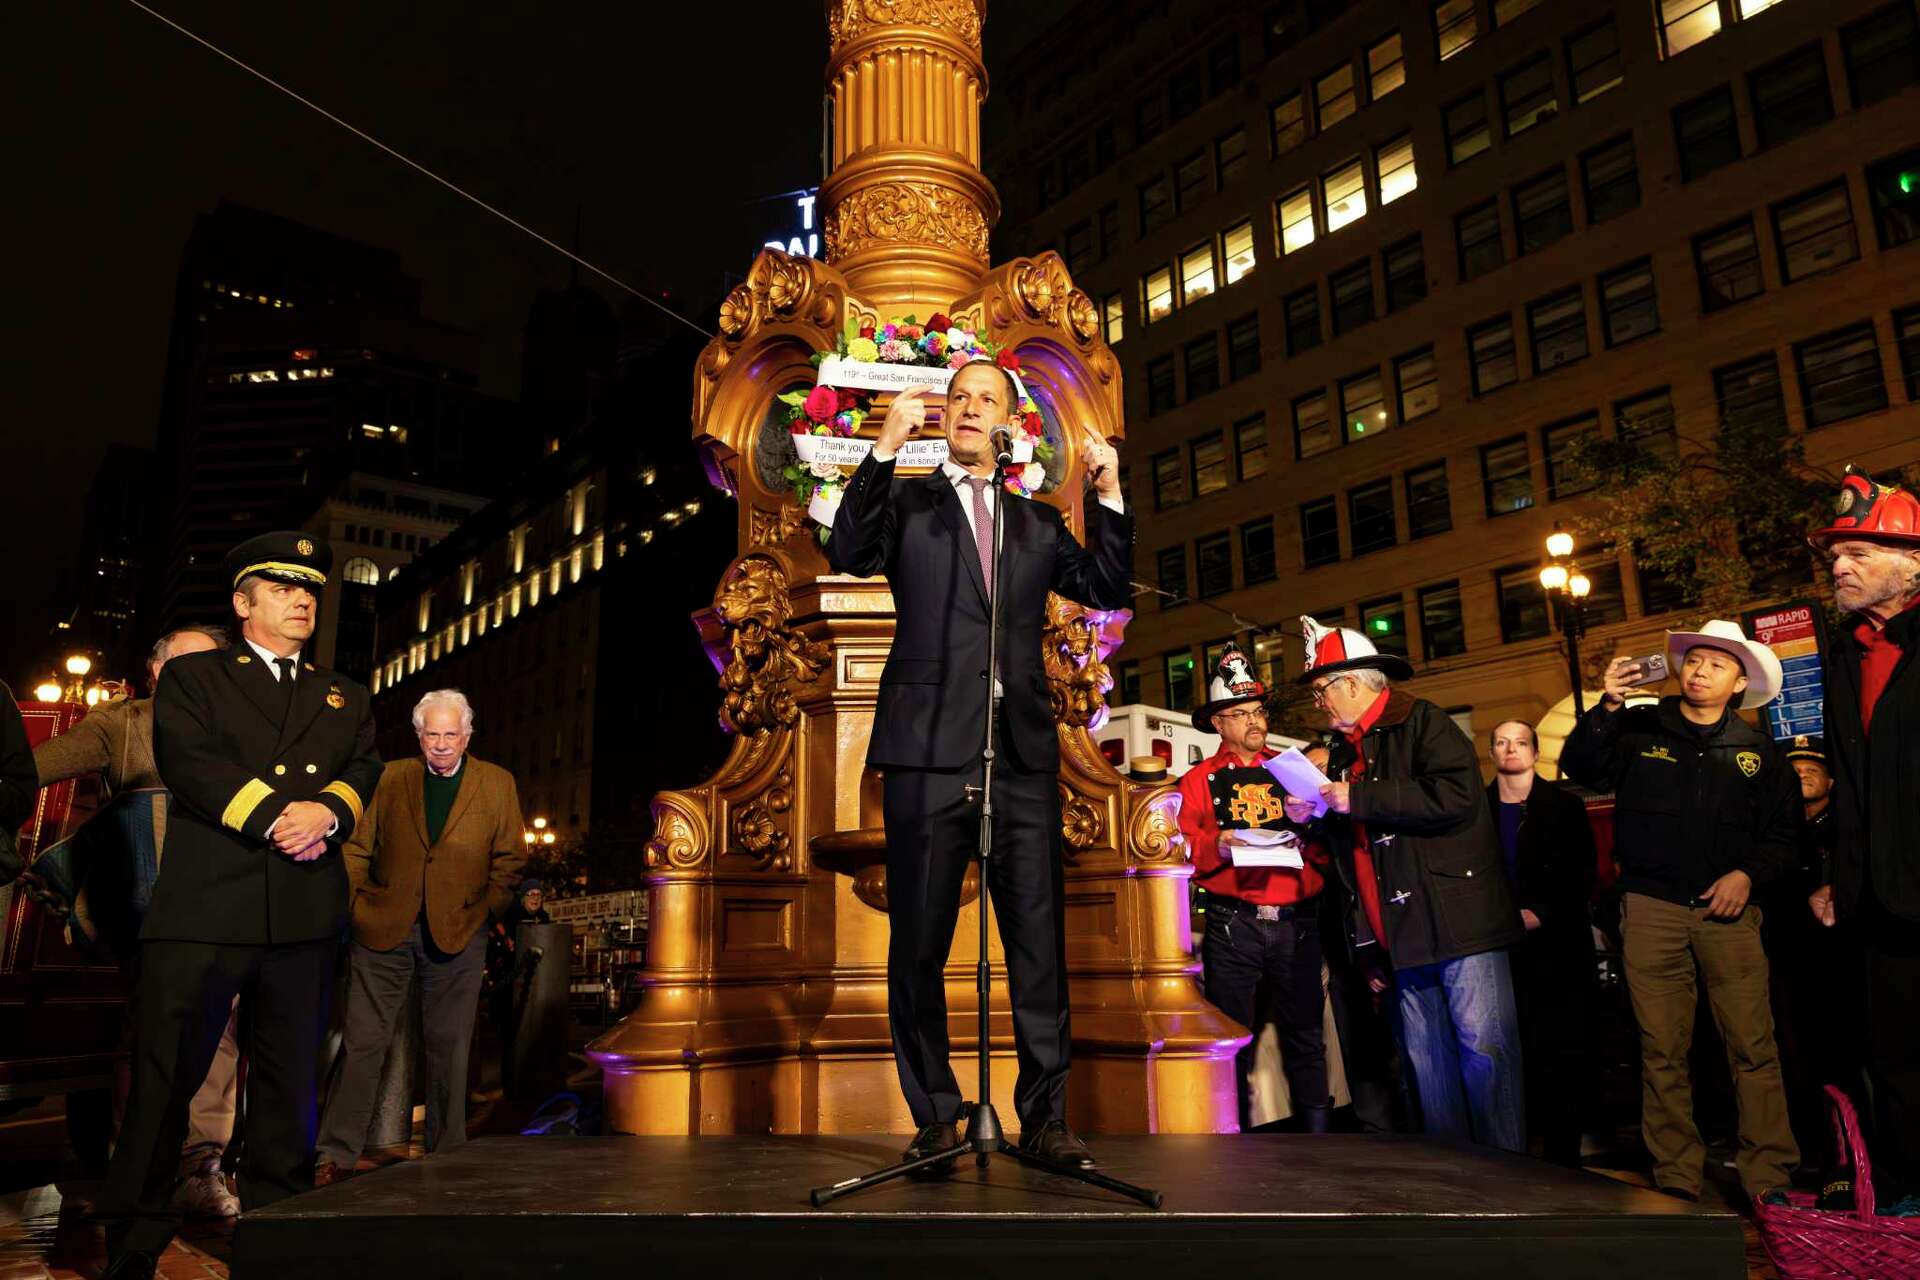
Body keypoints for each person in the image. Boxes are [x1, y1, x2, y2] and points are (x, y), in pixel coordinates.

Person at [827, 358, 1132, 1171]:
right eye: (956, 397)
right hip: (927, 750)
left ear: (1007, 423)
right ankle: (935, 1110)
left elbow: (1104, 584)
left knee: (1037, 943)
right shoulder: (907, 501)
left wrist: (1107, 492)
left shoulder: (1034, 522)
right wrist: (882, 451)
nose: (967, 408)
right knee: (919, 941)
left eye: (983, 399)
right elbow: (851, 552)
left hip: (1022, 755)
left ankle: (1045, 1117)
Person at [96, 532, 382, 1280]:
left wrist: (328, 811)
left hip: (304, 911)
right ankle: (135, 1232)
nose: (302, 601)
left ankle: (278, 1228)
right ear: (242, 602)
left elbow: (362, 767)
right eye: (284, 588)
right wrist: (280, 817)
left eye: (310, 592)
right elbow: (191, 761)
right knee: (166, 1077)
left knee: (289, 1086)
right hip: (206, 910)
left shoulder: (344, 693)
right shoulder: (195, 677)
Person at [1560, 619, 1800, 1202]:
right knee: (1661, 1048)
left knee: (1752, 1047)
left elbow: (1785, 838)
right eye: (1693, 660)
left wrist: (1748, 875)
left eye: (1717, 665)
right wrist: (1607, 705)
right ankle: (1675, 1176)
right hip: (1652, 910)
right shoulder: (1641, 727)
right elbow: (1582, 767)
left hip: (1730, 918)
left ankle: (1769, 1175)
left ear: (1740, 683)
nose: (1699, 671)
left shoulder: (1758, 753)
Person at [31, 626, 245, 1218]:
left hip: (225, 908)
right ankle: (136, 1168)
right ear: (154, 673)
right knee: (149, 1037)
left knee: (219, 1036)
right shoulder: (122, 725)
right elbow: (37, 768)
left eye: (209, 667)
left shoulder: (241, 729)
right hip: (148, 914)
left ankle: (200, 1167)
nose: (196, 678)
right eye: (181, 666)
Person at [1291, 616, 1526, 1152]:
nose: (1319, 704)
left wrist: (1358, 799)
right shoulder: (1346, 748)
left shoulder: (1424, 722)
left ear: (1351, 682)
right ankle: (1453, 1181)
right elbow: (1358, 852)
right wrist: (1314, 814)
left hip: (1459, 923)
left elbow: (1457, 797)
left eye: (1321, 690)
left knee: (1485, 1053)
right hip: (1403, 933)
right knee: (1428, 1062)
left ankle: (1512, 1185)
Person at [315, 689, 526, 1182]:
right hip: (382, 924)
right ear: (418, 735)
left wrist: (485, 911)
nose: (442, 744)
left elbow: (511, 859)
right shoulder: (388, 778)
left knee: (450, 1047)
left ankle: (446, 1152)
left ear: (468, 734)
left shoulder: (497, 784)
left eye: (451, 734)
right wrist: (352, 908)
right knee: (363, 1043)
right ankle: (335, 1153)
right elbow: (357, 848)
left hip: (459, 931)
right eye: (432, 734)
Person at [1806, 467, 1920, 1183]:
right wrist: (1832, 876)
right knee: (1895, 1059)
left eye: (1859, 554)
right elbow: (1848, 783)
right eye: (1836, 555)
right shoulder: (1845, 652)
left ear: (1913, 561)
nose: (1839, 567)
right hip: (1877, 901)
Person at [1178, 645, 1331, 1133]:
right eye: (1240, 713)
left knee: (1306, 1039)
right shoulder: (1199, 780)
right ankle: (1235, 1152)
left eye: (1258, 710)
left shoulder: (1292, 768)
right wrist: (1216, 845)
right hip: (1234, 925)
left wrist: (1314, 821)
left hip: (1296, 923)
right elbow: (1181, 846)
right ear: (1218, 724)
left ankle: (1324, 1152)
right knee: (1232, 1043)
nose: (1253, 721)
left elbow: (1329, 847)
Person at [1485, 720, 1598, 1166]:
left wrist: (1542, 912)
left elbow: (1584, 872)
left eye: (1520, 742)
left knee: (1561, 1051)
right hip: (1498, 944)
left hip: (1558, 946)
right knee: (1508, 1049)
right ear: (1492, 751)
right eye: (1501, 742)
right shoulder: (1479, 808)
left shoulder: (1564, 806)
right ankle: (1516, 1156)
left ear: (1534, 752)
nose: (1510, 749)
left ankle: (1563, 1156)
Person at [1768, 736, 1861, 1173]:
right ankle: (1810, 1150)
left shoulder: (1847, 832)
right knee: (1793, 1056)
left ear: (1832, 780)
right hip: (1784, 960)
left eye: (1812, 769)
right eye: (1794, 771)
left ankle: (1850, 1151)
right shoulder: (1774, 833)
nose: (1802, 775)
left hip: (1835, 960)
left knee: (1839, 1055)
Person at [487, 877, 552, 1095]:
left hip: (538, 989)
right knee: (510, 1039)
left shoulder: (545, 920)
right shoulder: (507, 922)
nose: (535, 899)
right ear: (522, 898)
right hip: (509, 990)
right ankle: (510, 1084)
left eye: (539, 895)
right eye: (531, 895)